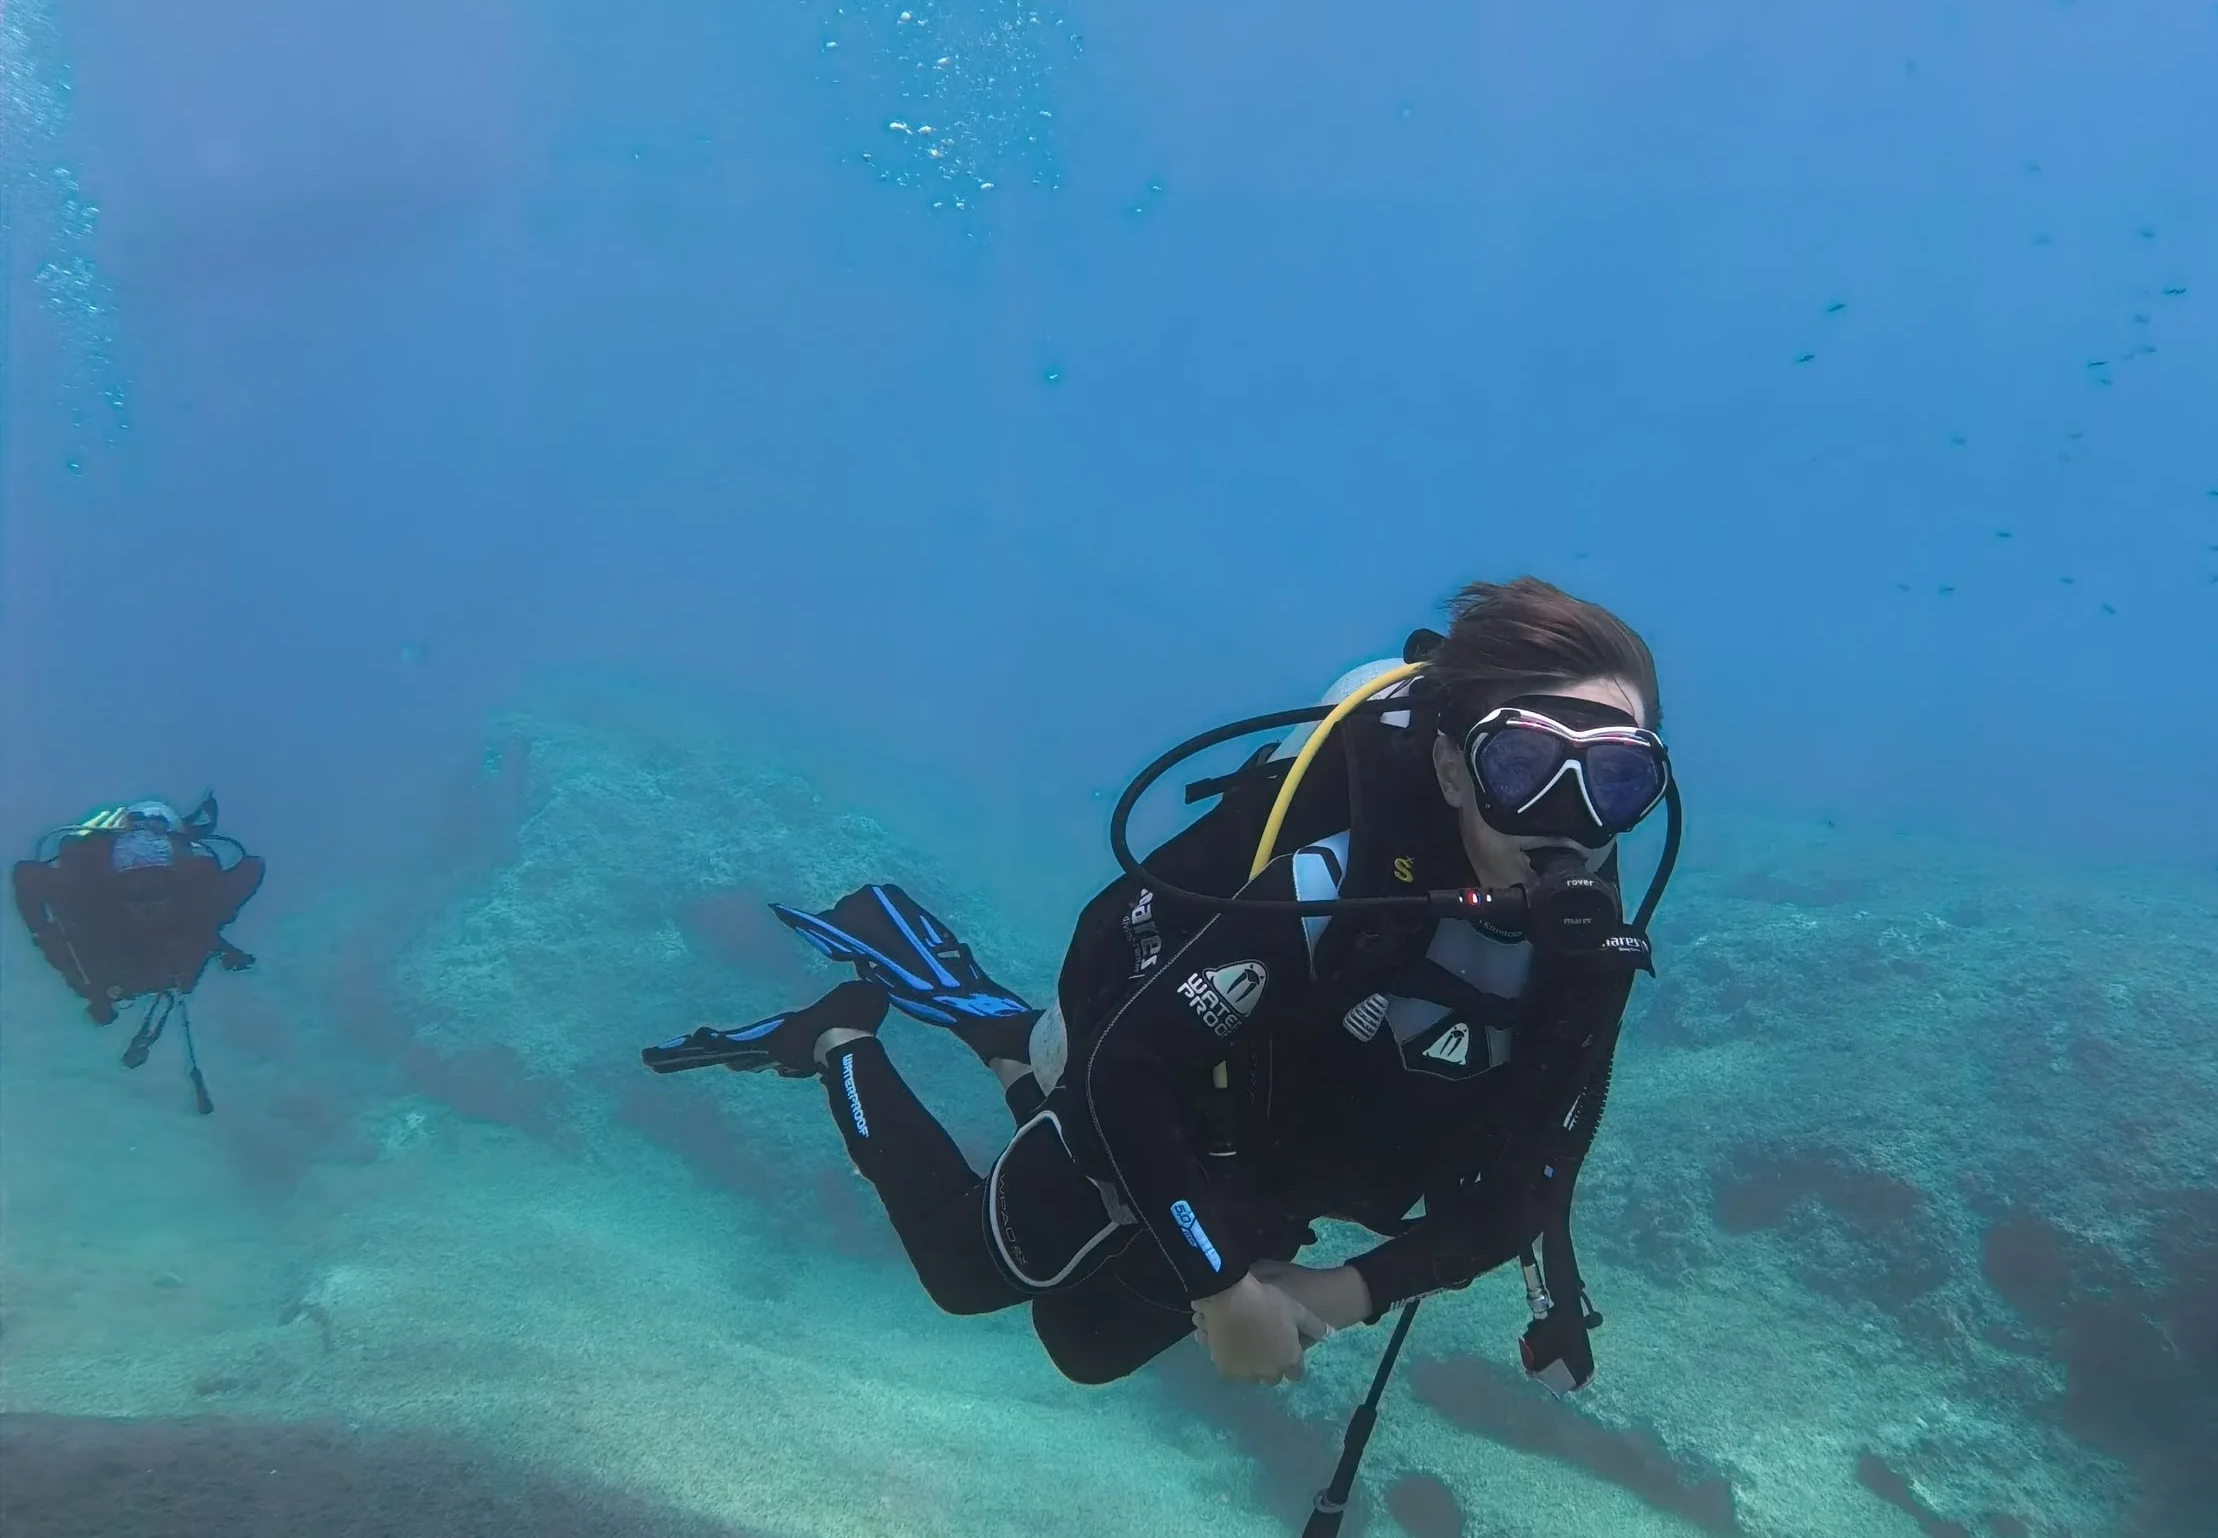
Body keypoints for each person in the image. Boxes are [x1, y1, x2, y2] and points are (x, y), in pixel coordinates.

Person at [643, 578, 1674, 1393]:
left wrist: (1342, 1291)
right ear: (1451, 771)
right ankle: (841, 1034)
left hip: (1274, 1168)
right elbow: (1130, 1069)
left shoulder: (1590, 953)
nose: (1571, 822)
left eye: (1617, 779)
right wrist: (1220, 1286)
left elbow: (1530, 1186)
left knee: (1083, 1346)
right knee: (964, 1271)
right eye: (1524, 767)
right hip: (1162, 1101)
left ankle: (1006, 1040)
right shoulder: (1331, 889)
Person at [12, 796, 264, 1113]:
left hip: (145, 955)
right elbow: (251, 868)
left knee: (188, 937)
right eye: (137, 889)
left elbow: (26, 875)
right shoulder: (89, 901)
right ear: (115, 886)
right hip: (124, 958)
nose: (149, 902)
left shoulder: (196, 894)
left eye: (157, 887)